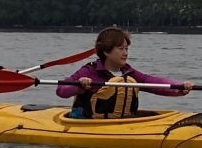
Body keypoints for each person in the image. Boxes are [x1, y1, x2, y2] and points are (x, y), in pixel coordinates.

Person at [58, 26, 193, 118]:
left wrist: (178, 87)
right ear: (106, 51)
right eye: (121, 49)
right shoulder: (90, 71)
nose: (125, 53)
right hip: (88, 124)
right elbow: (61, 90)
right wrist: (78, 86)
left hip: (123, 123)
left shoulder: (128, 72)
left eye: (126, 49)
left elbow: (151, 82)